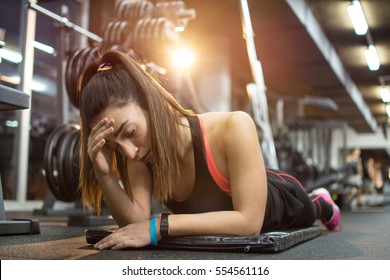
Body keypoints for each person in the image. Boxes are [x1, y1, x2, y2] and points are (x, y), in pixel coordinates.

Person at [77, 49, 340, 250]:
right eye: (115, 146)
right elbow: (135, 223)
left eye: (130, 133)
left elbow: (249, 223)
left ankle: (322, 201)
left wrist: (161, 225)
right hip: (238, 201)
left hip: (283, 200)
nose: (129, 151)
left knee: (310, 209)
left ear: (150, 101)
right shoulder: (139, 155)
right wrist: (105, 175)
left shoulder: (233, 125)